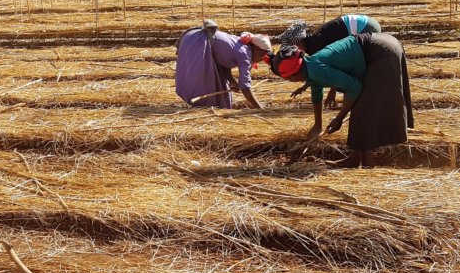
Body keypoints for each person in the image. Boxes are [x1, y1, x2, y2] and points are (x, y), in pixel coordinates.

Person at [270, 34, 413, 168]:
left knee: (363, 108)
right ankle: (355, 158)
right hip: (382, 43)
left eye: (288, 78)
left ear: (293, 74)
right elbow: (317, 96)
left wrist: (339, 118)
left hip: (381, 52)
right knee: (358, 106)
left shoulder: (315, 70)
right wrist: (318, 126)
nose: (289, 81)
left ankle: (368, 167)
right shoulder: (310, 66)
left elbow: (354, 87)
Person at [273, 16, 382, 105]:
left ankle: (357, 103)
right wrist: (305, 86)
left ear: (299, 43)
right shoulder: (312, 42)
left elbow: (335, 67)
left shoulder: (315, 47)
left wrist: (332, 92)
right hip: (366, 22)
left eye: (293, 47)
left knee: (352, 74)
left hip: (365, 28)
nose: (293, 51)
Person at [175, 20, 270, 109]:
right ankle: (201, 106)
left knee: (220, 89)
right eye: (262, 55)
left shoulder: (243, 45)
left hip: (192, 37)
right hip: (197, 41)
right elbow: (245, 87)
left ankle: (205, 106)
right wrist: (259, 108)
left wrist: (232, 81)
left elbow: (224, 62)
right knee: (204, 80)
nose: (262, 59)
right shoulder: (245, 55)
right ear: (255, 49)